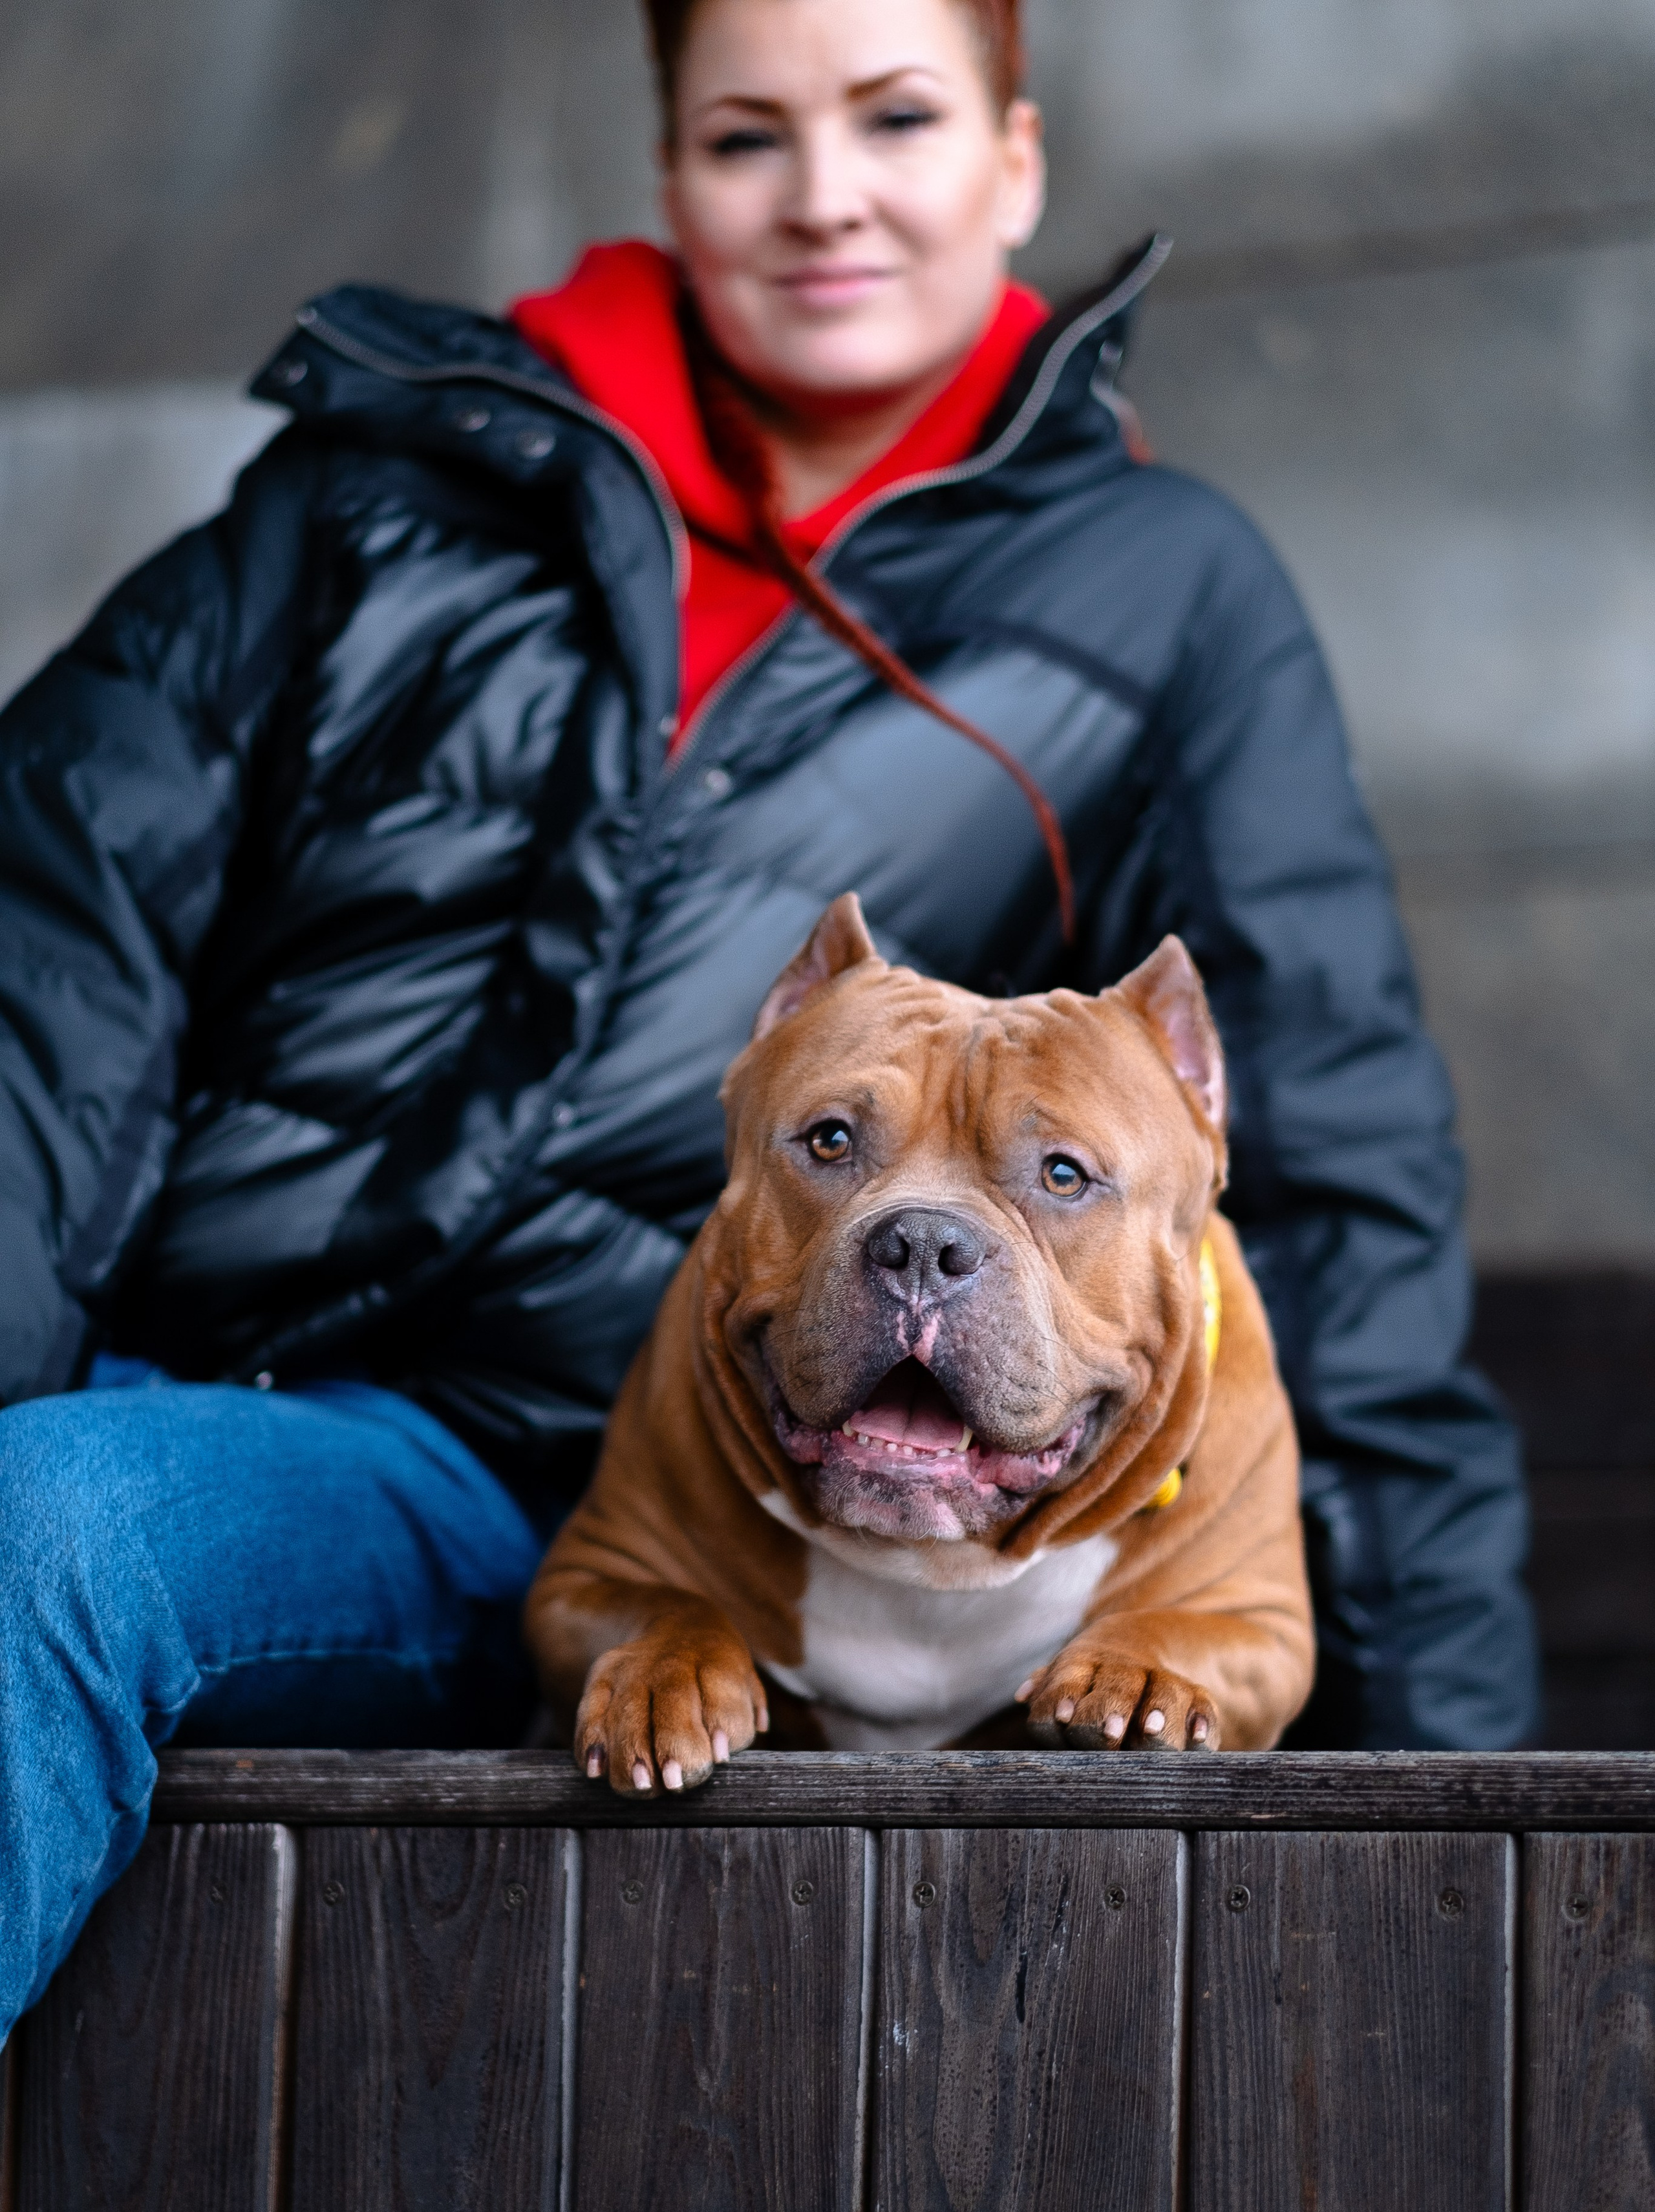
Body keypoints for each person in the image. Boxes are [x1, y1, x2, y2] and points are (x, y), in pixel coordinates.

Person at [0, 0, 1535, 2039]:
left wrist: (1463, 1823)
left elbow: (1325, 1174)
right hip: (174, 1366)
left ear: (1016, 158)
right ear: (672, 175)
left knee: (56, 1532)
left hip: (582, 1468)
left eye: (896, 118)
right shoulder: (378, 482)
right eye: (748, 136)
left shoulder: (1163, 589)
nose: (823, 196)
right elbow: (50, 950)